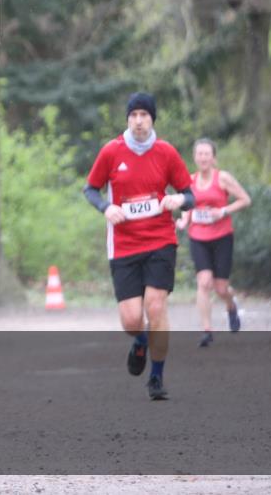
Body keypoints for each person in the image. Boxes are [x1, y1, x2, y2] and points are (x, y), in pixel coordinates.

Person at [83, 93, 194, 401]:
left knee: (156, 307)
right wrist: (106, 207)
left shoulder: (166, 153)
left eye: (144, 115)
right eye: (133, 115)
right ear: (128, 120)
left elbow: (190, 193)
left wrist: (179, 199)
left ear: (152, 119)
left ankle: (156, 378)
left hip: (160, 240)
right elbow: (90, 189)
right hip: (124, 244)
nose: (138, 120)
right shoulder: (112, 152)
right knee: (132, 320)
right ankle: (142, 341)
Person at [175, 138, 252, 347]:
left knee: (220, 288)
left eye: (207, 154)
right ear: (194, 157)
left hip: (222, 237)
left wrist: (223, 211)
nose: (203, 158)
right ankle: (207, 330)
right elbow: (188, 207)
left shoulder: (223, 178)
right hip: (198, 237)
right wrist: (183, 221)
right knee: (203, 282)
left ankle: (231, 306)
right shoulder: (189, 181)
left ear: (213, 157)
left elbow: (246, 199)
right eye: (199, 154)